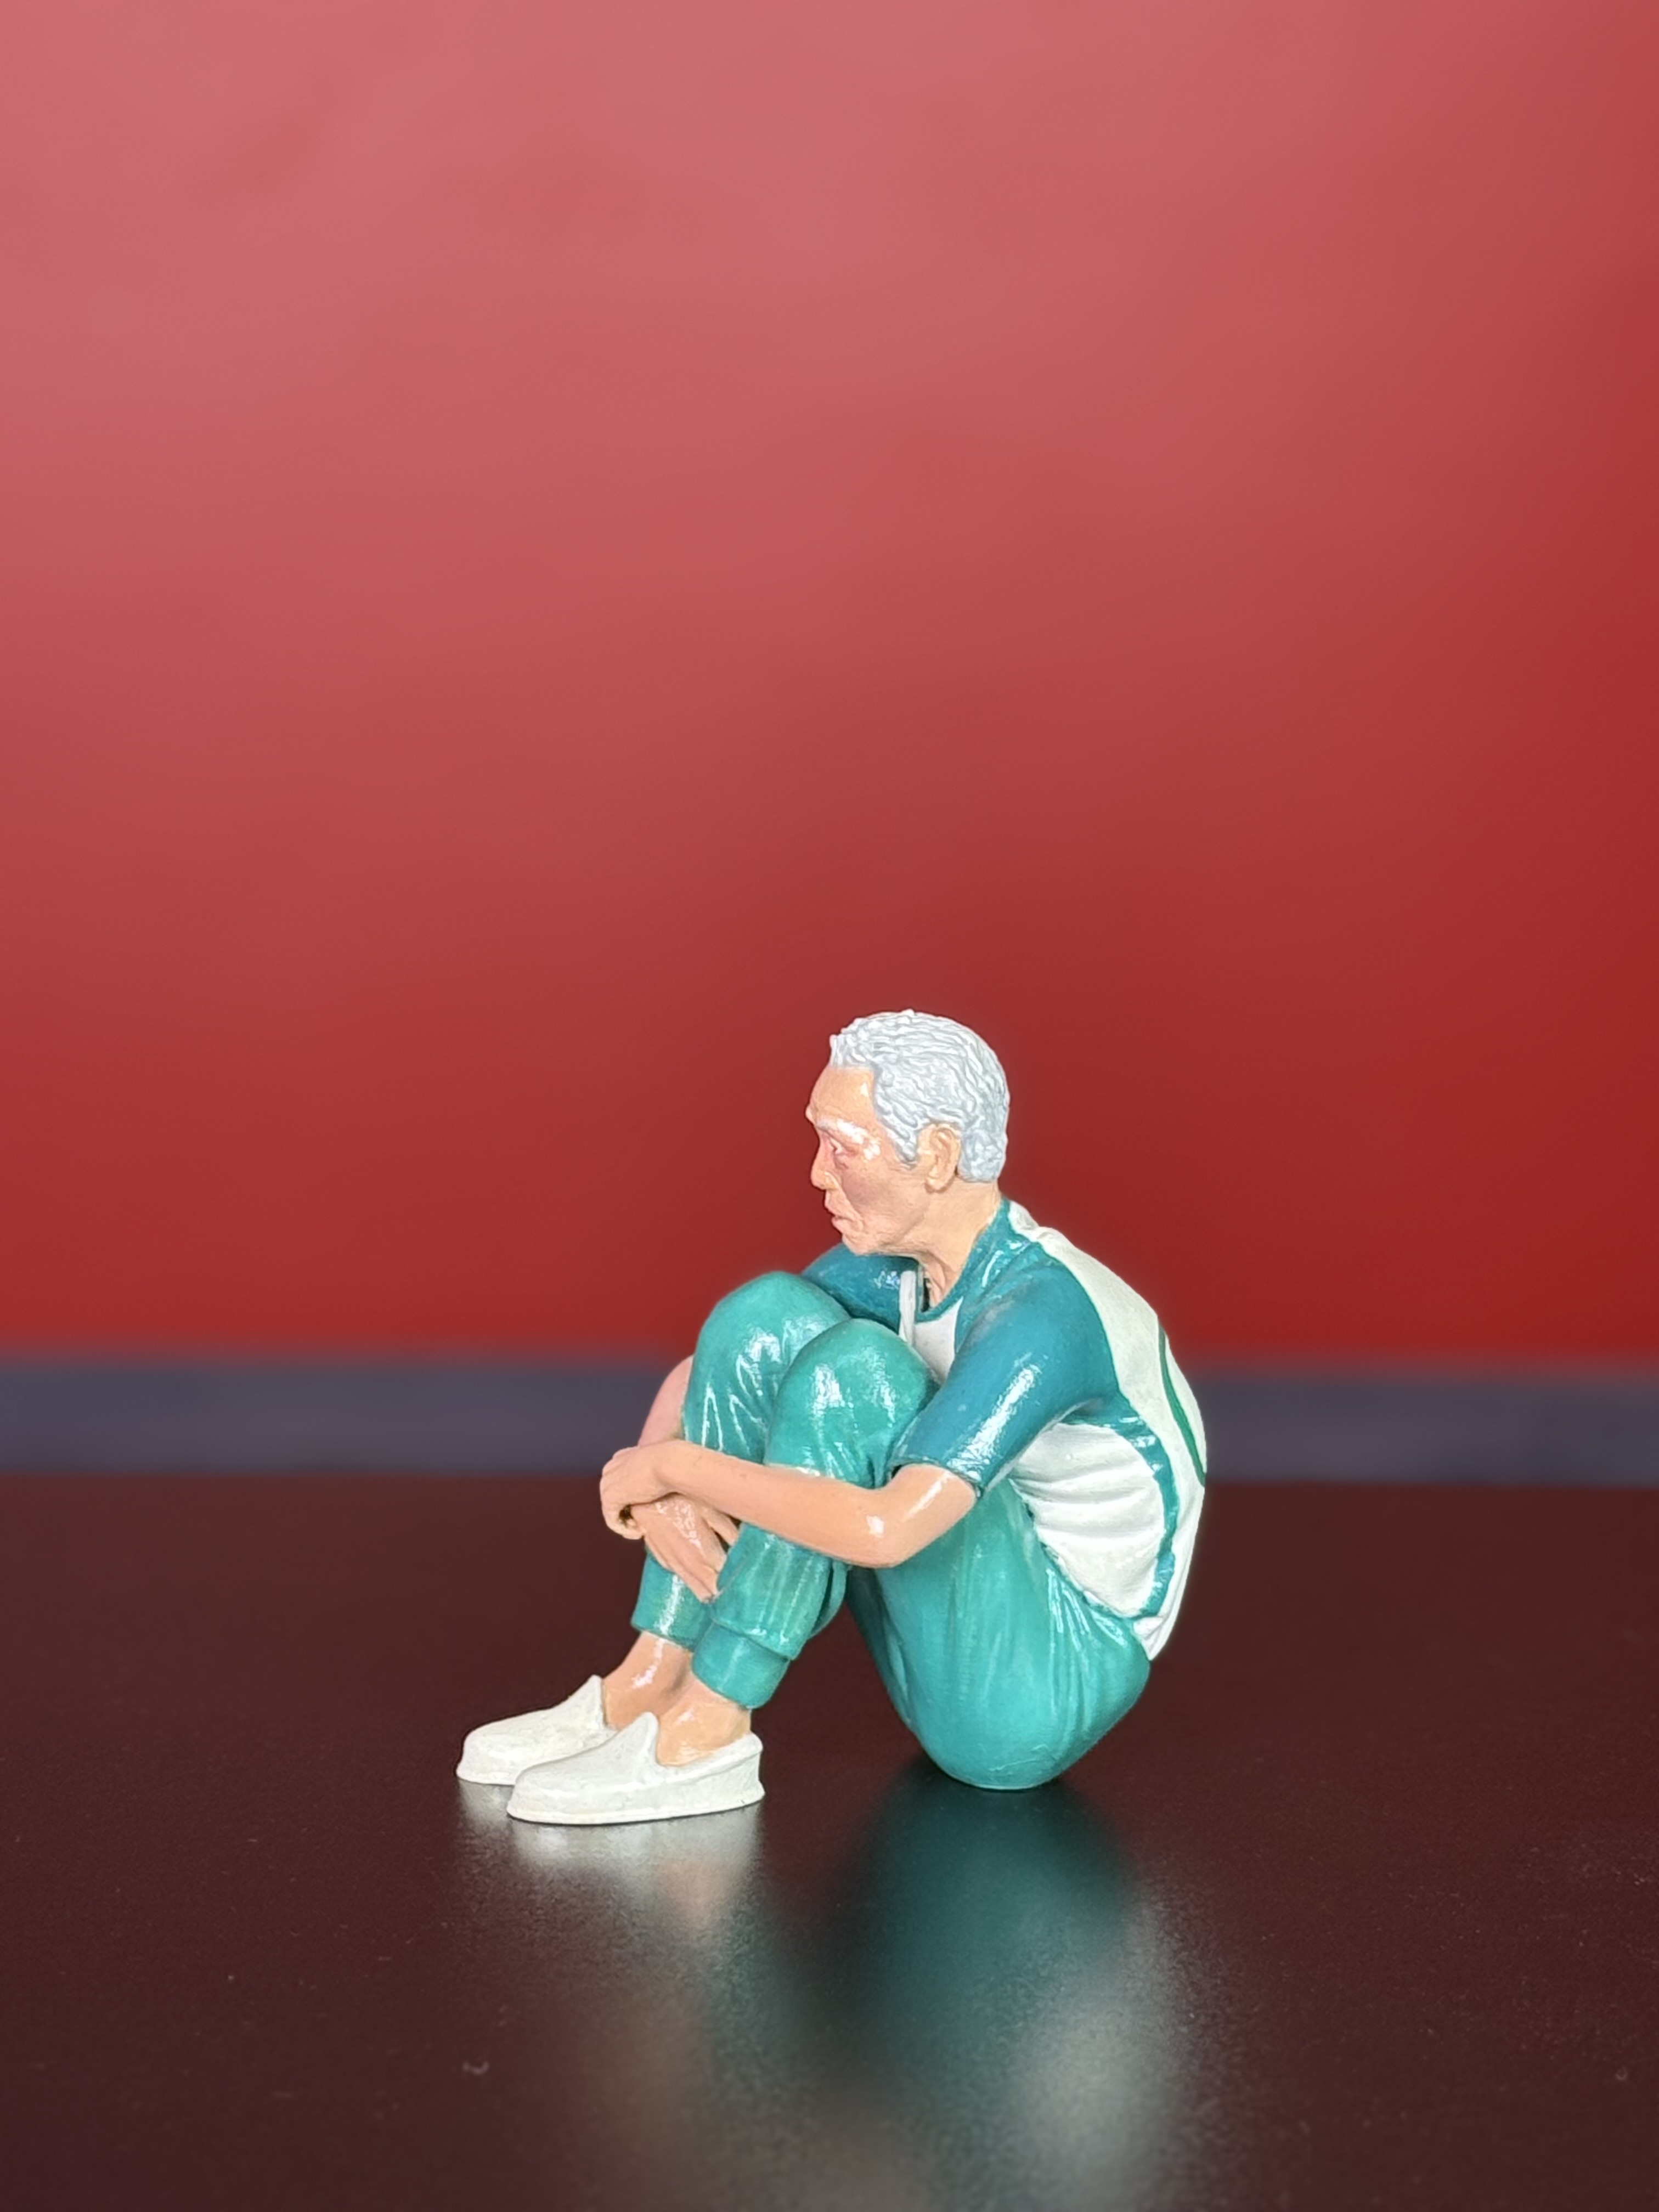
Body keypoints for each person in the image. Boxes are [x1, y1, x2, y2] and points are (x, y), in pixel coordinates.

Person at [457, 1011, 1206, 1822]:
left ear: (937, 1156)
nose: (818, 1174)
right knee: (765, 1311)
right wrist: (658, 1482)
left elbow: (887, 1530)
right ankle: (653, 1676)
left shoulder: (1042, 1316)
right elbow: (713, 1368)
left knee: (858, 1375)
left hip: (1044, 1685)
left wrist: (671, 1468)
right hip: (951, 1637)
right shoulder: (902, 1268)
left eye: (843, 1147)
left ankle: (712, 1724)